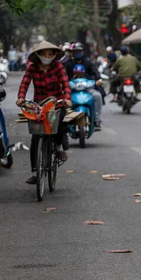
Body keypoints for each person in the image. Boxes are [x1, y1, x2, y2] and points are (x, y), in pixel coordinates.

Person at [16, 41, 72, 185]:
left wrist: (67, 99)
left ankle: (58, 148)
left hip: (57, 103)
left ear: (54, 55)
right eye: (44, 54)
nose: (47, 56)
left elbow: (65, 84)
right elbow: (25, 83)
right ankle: (35, 172)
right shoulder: (32, 68)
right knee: (36, 136)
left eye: (50, 54)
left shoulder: (58, 67)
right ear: (39, 55)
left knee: (58, 123)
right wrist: (21, 98)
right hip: (38, 105)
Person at [63, 42, 106, 109]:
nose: (77, 53)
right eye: (75, 51)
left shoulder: (89, 62)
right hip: (72, 88)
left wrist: (98, 80)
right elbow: (64, 76)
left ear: (83, 51)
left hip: (87, 87)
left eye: (79, 51)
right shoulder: (68, 64)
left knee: (97, 96)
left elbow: (95, 72)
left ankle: (97, 118)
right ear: (72, 52)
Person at [71, 64, 103, 130]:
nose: (78, 74)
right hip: (73, 91)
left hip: (87, 90)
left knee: (97, 95)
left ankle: (97, 120)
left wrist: (97, 82)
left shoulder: (88, 79)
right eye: (77, 72)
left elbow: (96, 78)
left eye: (80, 73)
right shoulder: (70, 80)